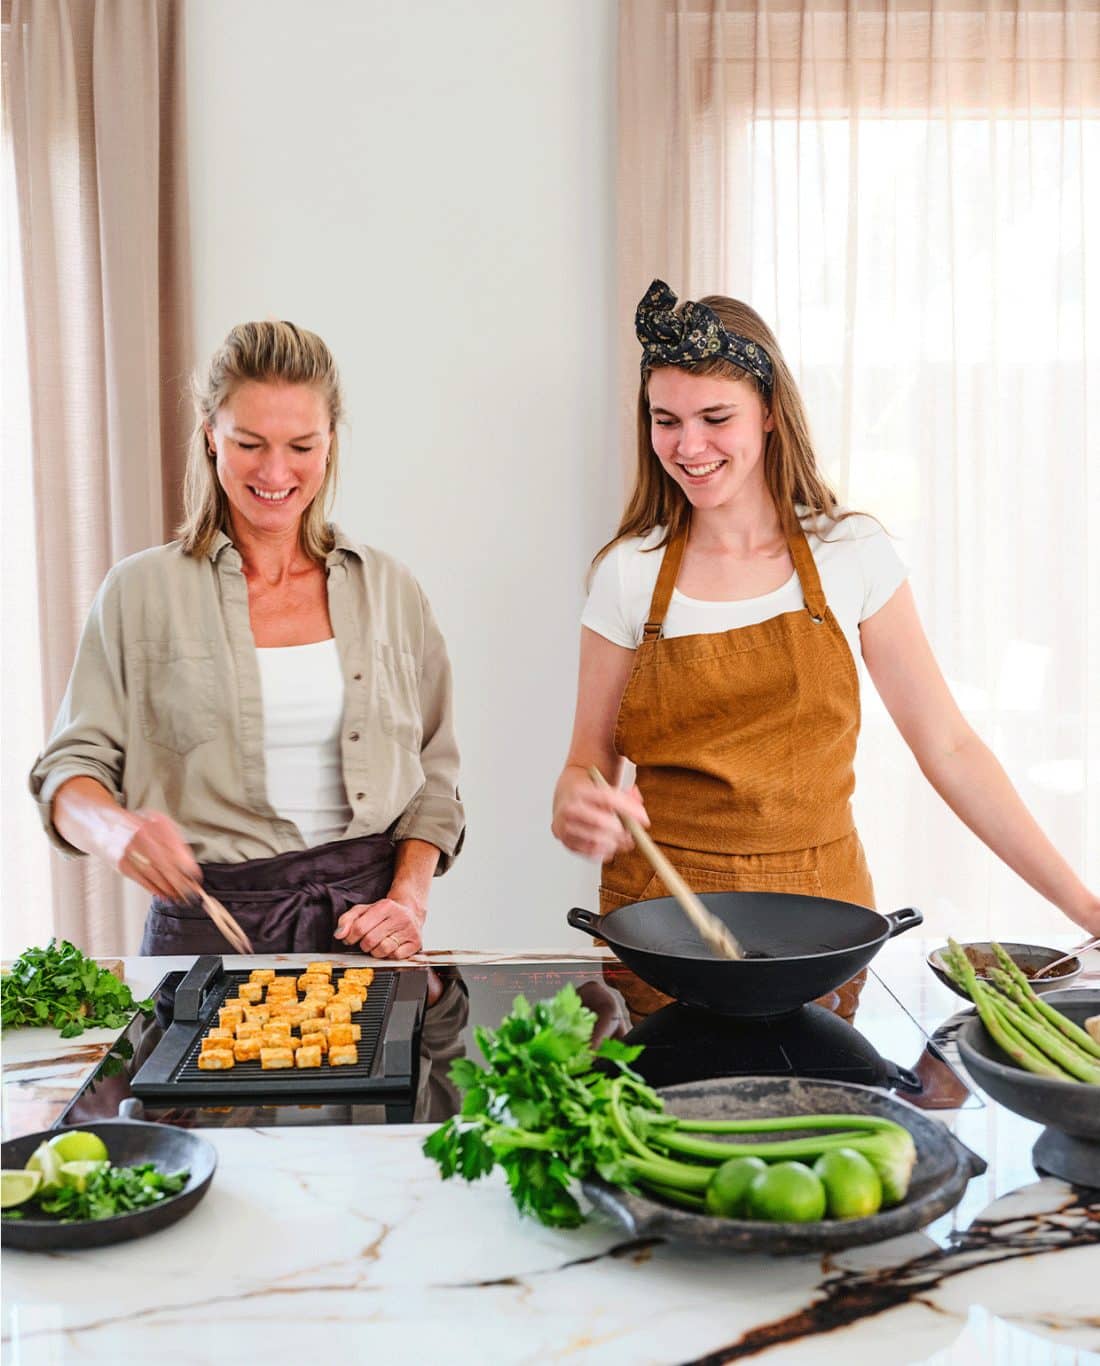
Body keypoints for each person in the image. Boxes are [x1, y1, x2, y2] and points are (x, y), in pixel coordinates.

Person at [552, 280, 1099, 1017]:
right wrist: (577, 807)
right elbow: (585, 766)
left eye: (717, 417)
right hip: (662, 928)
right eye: (666, 420)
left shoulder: (853, 554)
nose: (689, 446)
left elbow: (950, 748)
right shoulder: (628, 571)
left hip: (822, 927)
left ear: (771, 411)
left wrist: (1087, 908)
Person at [30, 321, 463, 959]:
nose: (276, 472)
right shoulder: (138, 592)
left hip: (369, 942)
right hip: (204, 941)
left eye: (302, 446)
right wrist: (114, 829)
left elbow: (435, 773)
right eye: (250, 443)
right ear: (211, 436)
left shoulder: (391, 590)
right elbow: (69, 771)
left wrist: (408, 900)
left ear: (330, 443)